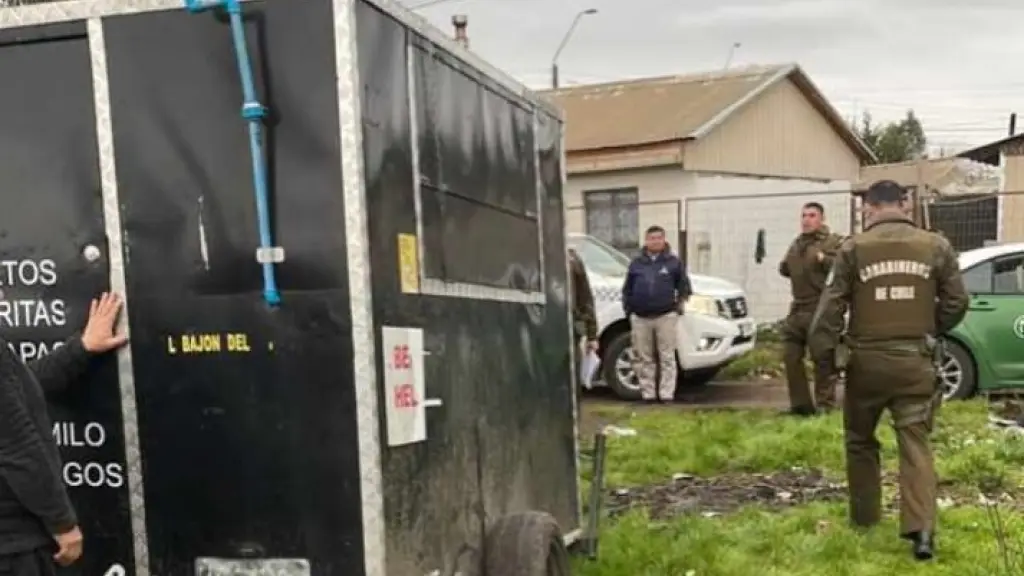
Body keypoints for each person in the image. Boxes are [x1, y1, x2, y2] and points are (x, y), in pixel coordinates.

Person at [811, 180, 968, 561]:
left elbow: (829, 312)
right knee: (915, 444)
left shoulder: (852, 249)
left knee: (860, 439)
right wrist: (929, 328)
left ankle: (865, 518)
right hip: (916, 362)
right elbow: (957, 301)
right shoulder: (936, 246)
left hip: (866, 364)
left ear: (868, 208)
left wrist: (825, 361)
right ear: (905, 203)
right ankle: (922, 531)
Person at [0, 293, 128, 575]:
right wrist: (62, 523)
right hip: (14, 550)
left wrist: (81, 348)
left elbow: (19, 392)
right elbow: (17, 448)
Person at [778, 201, 845, 415]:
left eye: (812, 215)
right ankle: (800, 406)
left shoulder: (832, 242)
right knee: (790, 356)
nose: (806, 220)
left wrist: (824, 260)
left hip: (822, 308)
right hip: (798, 308)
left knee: (823, 359)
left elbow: (844, 268)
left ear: (822, 219)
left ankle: (826, 406)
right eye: (804, 215)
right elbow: (786, 268)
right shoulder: (797, 243)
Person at [622, 226, 692, 403]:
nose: (655, 241)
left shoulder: (673, 263)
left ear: (664, 240)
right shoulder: (636, 263)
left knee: (667, 356)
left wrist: (678, 307)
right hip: (640, 317)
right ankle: (648, 394)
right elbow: (627, 289)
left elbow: (684, 287)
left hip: (665, 316)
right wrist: (629, 310)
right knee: (644, 357)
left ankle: (667, 394)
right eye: (651, 238)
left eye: (658, 238)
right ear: (646, 240)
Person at [568, 247, 599, 374]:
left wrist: (592, 335)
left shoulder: (572, 259)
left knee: (571, 369)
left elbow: (585, 297)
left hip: (570, 326)